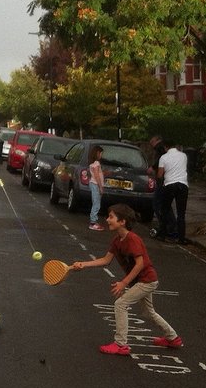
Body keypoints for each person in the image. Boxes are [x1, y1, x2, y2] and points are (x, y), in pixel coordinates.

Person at [70, 203, 182, 356]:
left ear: (122, 221)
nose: (107, 220)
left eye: (111, 217)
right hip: (142, 281)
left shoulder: (132, 239)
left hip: (146, 280)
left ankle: (121, 345)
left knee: (120, 304)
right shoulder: (117, 241)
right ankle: (173, 338)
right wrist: (83, 264)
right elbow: (105, 260)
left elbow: (140, 263)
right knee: (148, 312)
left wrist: (124, 283)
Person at [157, 138, 190, 244]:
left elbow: (159, 174)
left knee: (165, 210)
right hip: (183, 185)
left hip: (170, 185)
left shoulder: (163, 157)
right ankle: (181, 238)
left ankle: (162, 235)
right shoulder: (183, 156)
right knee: (181, 213)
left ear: (165, 147)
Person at [146, 135, 168, 238]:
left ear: (157, 141)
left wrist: (153, 167)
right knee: (164, 204)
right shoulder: (162, 148)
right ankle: (167, 225)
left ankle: (163, 225)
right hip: (168, 181)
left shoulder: (159, 148)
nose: (152, 145)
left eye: (152, 143)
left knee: (157, 203)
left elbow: (160, 161)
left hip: (163, 180)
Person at [87, 145, 106, 231]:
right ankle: (93, 223)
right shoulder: (96, 164)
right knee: (96, 204)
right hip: (96, 185)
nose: (101, 155)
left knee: (96, 202)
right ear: (97, 153)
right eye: (101, 153)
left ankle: (94, 221)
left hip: (94, 184)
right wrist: (101, 187)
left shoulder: (92, 163)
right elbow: (97, 176)